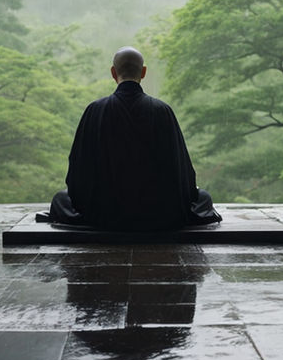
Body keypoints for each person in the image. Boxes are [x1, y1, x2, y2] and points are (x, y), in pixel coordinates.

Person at [43, 46, 221, 230]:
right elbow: (181, 170)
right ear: (143, 72)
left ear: (113, 72)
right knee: (204, 198)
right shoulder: (162, 111)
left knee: (61, 199)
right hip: (157, 212)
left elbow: (78, 169)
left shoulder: (95, 110)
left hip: (103, 212)